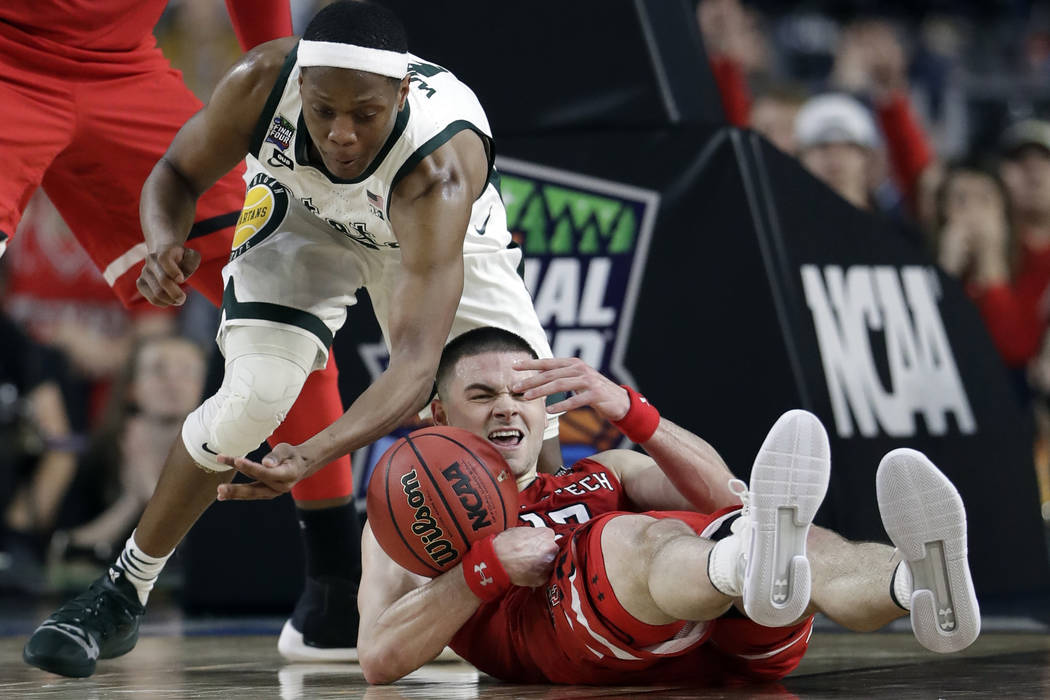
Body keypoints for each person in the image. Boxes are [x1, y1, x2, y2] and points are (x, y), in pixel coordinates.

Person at [23, 0, 559, 678]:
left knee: (518, 395)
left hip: (419, 234)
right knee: (251, 398)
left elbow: (418, 365)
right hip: (301, 218)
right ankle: (123, 591)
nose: (341, 134)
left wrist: (311, 453)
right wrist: (163, 243)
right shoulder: (260, 80)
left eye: (364, 115)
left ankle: (546, 588)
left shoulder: (439, 167)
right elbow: (176, 175)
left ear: (399, 95)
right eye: (323, 110)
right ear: (300, 85)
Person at [2, 0, 361, 661]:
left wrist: (280, 99)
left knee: (284, 294)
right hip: (7, 62)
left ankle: (338, 593)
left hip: (120, 68)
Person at [341, 327, 979, 685]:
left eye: (523, 392)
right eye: (482, 395)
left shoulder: (600, 471)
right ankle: (746, 569)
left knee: (774, 531)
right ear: (440, 415)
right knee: (626, 538)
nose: (507, 406)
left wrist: (628, 410)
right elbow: (378, 658)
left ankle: (916, 582)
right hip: (559, 638)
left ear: (545, 407)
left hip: (725, 643)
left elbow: (724, 492)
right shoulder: (408, 520)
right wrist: (485, 567)